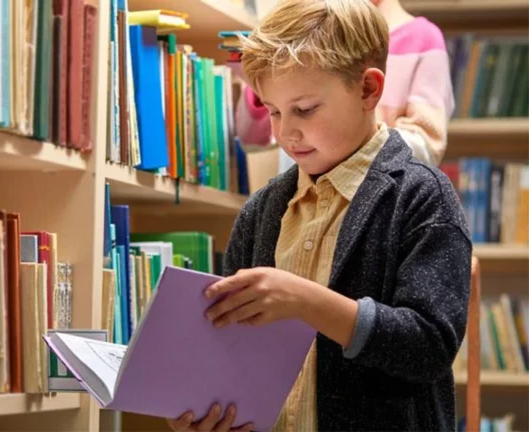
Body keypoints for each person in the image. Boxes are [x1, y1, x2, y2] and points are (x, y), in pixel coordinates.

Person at [166, 0, 471, 431]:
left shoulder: (424, 197)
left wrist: (307, 302)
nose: (285, 133)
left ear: (368, 90)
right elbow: (229, 350)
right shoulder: (261, 210)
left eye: (305, 109)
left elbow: (429, 346)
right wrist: (207, 410)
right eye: (273, 110)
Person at [234, 0, 455, 168]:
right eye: (275, 111)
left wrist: (352, 144)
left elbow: (428, 145)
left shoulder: (424, 38)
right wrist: (263, 88)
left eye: (305, 109)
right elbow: (249, 139)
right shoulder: (308, 37)